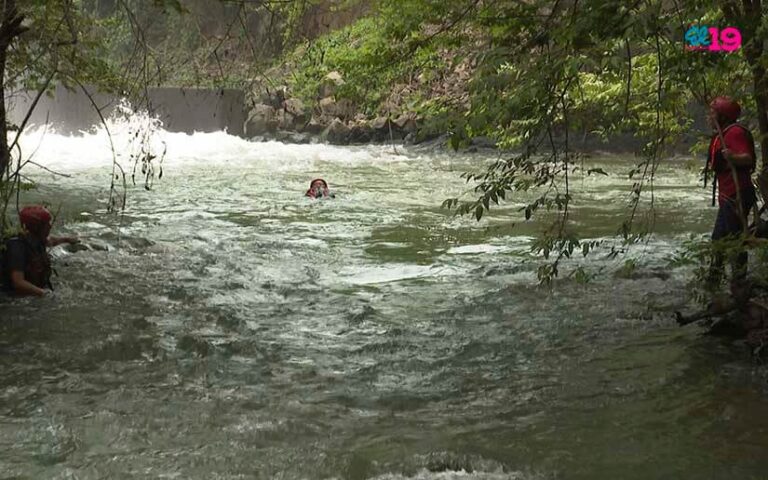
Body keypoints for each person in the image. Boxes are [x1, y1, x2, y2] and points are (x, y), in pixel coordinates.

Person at [706, 96, 757, 288]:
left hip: (737, 194)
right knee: (718, 240)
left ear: (723, 116)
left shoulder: (734, 132)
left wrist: (732, 156)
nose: (709, 117)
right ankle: (712, 283)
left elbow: (747, 158)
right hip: (729, 195)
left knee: (734, 242)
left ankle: (739, 285)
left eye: (713, 113)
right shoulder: (723, 133)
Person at [1, 205, 79, 297]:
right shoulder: (17, 247)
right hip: (11, 298)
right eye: (46, 224)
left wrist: (68, 239)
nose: (50, 226)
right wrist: (43, 293)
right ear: (36, 227)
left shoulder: (36, 238)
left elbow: (52, 241)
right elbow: (18, 282)